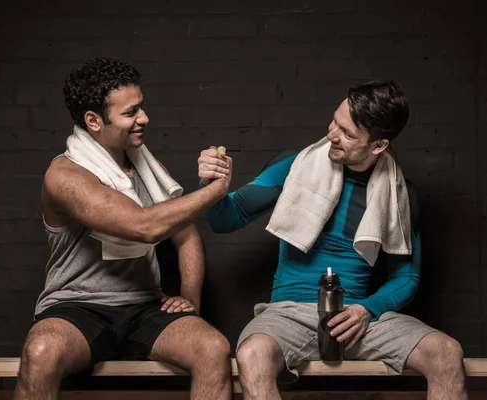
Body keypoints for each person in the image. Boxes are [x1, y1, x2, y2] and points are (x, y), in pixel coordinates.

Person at [198, 81, 468, 400]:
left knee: (447, 353)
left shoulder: (399, 194)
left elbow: (406, 276)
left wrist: (367, 310)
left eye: (347, 133)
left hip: (357, 317)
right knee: (252, 354)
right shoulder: (295, 167)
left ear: (378, 146)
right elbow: (224, 219)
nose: (331, 135)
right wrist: (212, 185)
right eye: (334, 121)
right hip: (289, 312)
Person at [14, 58, 234, 400]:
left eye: (141, 107)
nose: (143, 118)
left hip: (146, 306)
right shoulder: (66, 176)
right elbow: (141, 226)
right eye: (131, 112)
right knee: (41, 351)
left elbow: (186, 233)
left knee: (213, 348)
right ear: (94, 120)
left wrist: (190, 296)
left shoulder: (147, 168)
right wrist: (214, 190)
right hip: (78, 307)